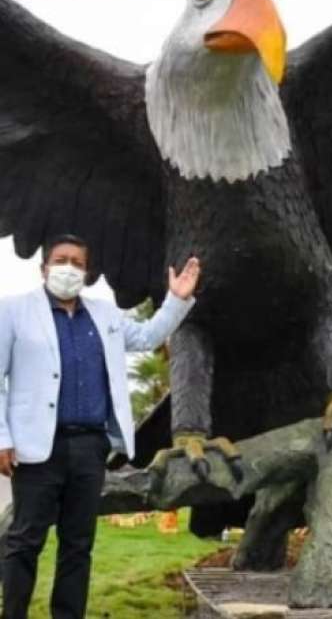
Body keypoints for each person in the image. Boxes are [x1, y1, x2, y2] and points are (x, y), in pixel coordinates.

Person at [0, 235, 200, 619]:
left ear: (87, 272)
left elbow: (146, 336)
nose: (69, 268)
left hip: (90, 447)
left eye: (77, 262)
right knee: (25, 541)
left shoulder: (105, 315)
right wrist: (3, 439)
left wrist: (177, 299)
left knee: (78, 544)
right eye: (61, 260)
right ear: (44, 267)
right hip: (37, 446)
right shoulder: (14, 311)